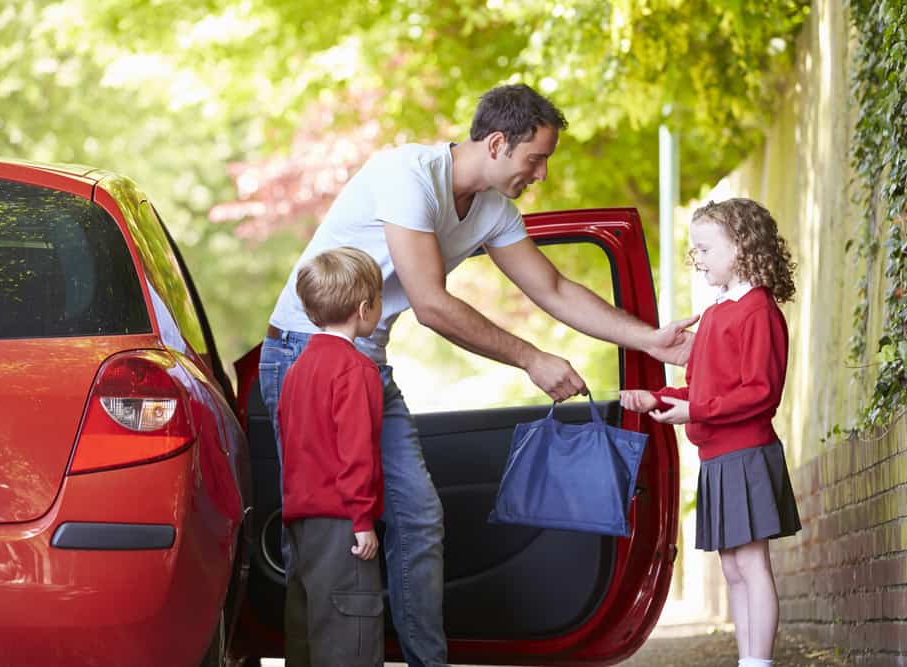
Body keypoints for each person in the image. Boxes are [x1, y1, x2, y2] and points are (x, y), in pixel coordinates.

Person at [260, 82, 697, 667]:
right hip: (305, 356)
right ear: (496, 143)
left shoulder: (493, 211)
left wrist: (650, 338)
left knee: (418, 517)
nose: (540, 174)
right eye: (535, 158)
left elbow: (555, 288)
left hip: (367, 363)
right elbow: (431, 304)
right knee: (324, 529)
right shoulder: (407, 175)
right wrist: (531, 359)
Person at [620, 198, 802, 667]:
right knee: (732, 566)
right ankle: (748, 658)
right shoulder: (718, 312)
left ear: (741, 247)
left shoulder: (757, 310)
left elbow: (761, 393)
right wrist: (657, 398)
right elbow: (703, 387)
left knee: (752, 564)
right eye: (694, 249)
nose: (696, 258)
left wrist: (693, 408)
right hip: (718, 457)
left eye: (704, 248)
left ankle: (758, 662)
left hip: (747, 453)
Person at [277, 246, 386, 667]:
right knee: (349, 636)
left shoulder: (296, 371)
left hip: (301, 522)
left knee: (307, 632)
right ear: (364, 308)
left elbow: (294, 446)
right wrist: (362, 521)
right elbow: (355, 452)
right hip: (342, 524)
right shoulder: (356, 370)